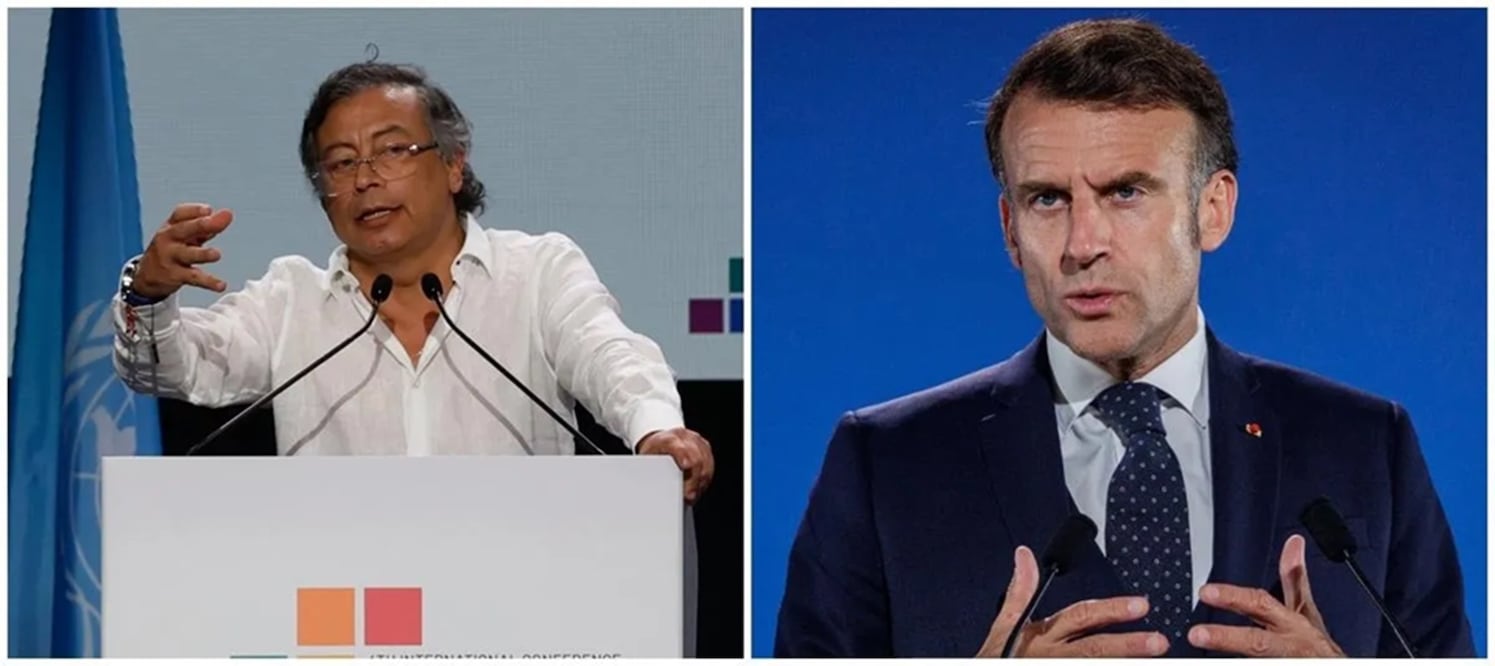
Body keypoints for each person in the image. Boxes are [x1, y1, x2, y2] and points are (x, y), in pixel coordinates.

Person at [774, 18, 1473, 657]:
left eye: (1125, 194)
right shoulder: (887, 462)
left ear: (1213, 210)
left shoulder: (1362, 446)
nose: (1082, 244)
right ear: (1009, 230)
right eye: (1046, 199)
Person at [111, 62, 714, 503]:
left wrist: (655, 427)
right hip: (343, 617)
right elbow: (166, 368)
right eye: (341, 163)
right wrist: (148, 296)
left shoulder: (536, 274)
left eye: (392, 151)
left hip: (518, 608)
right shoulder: (290, 300)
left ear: (454, 165)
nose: (366, 179)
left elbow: (608, 351)